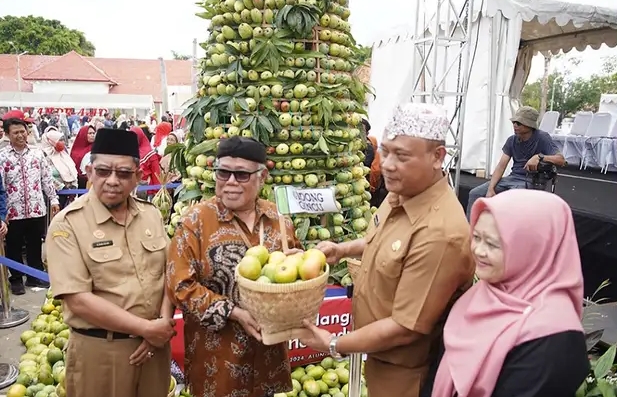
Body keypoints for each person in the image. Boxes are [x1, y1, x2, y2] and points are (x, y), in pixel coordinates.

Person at [299, 103, 475, 397]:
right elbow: (384, 242)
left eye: (402, 155)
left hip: (408, 374)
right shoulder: (400, 194)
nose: (388, 164)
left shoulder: (440, 233)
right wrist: (342, 249)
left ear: (437, 157)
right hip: (380, 358)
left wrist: (333, 344)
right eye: (386, 150)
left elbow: (406, 328)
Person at [45, 128, 176, 397]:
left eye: (123, 173)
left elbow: (168, 273)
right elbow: (77, 299)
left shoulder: (150, 215)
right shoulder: (68, 224)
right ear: (90, 172)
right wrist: (147, 329)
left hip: (154, 349)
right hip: (102, 352)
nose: (112, 181)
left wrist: (161, 325)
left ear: (138, 177)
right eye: (103, 171)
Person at [166, 136, 301, 397]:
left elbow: (292, 276)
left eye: (241, 175)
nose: (230, 182)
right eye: (223, 172)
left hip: (267, 355)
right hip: (216, 360)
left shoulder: (277, 220)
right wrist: (235, 313)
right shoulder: (196, 222)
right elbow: (179, 286)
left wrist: (298, 262)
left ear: (261, 177)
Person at [432, 189, 589, 397]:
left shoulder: (554, 336)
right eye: (476, 237)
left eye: (492, 244)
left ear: (531, 248)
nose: (478, 250)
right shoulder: (480, 296)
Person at [465, 106, 565, 219]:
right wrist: (490, 188)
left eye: (519, 123)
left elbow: (561, 160)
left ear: (529, 125)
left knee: (510, 200)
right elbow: (501, 166)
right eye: (514, 122)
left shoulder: (542, 137)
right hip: (513, 178)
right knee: (475, 193)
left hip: (532, 180)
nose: (515, 125)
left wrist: (540, 157)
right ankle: (471, 230)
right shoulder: (512, 140)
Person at [0, 110, 60, 295]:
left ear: (28, 131)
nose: (20, 135)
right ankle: (16, 278)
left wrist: (54, 199)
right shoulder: (2, 156)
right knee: (14, 246)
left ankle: (35, 275)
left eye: (23, 131)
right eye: (15, 132)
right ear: (8, 134)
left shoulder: (37, 153)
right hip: (13, 210)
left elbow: (46, 179)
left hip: (36, 209)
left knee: (35, 243)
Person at [41, 128, 79, 208]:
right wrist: (62, 187)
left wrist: (73, 186)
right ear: (51, 141)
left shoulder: (63, 154)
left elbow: (72, 171)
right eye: (59, 140)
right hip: (52, 196)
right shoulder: (43, 156)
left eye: (63, 140)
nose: (63, 143)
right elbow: (46, 176)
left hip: (68, 194)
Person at [130, 126, 161, 198]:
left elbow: (156, 175)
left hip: (146, 191)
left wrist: (157, 192)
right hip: (131, 190)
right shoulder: (129, 151)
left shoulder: (150, 154)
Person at [70, 125, 97, 189]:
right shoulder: (76, 150)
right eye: (90, 133)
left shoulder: (97, 148)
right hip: (81, 182)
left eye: (94, 133)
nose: (92, 135)